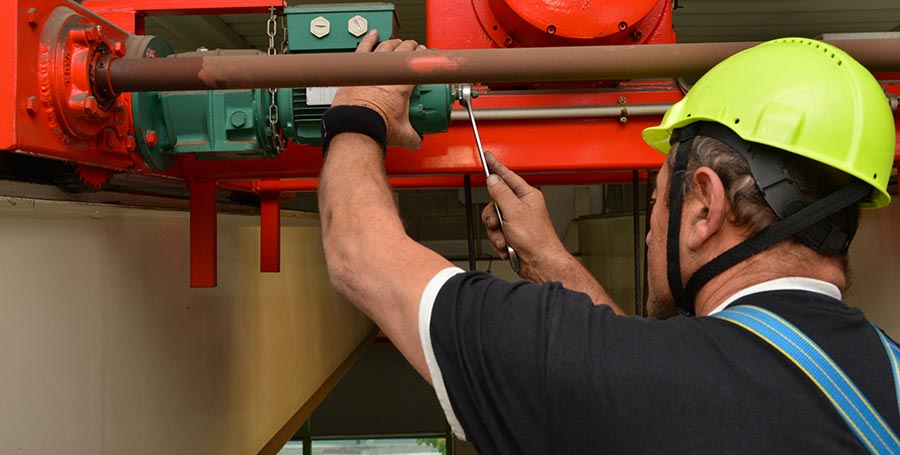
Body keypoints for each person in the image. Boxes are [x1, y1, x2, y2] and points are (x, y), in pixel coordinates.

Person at [318, 31, 900, 454]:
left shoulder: (620, 378)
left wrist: (360, 112)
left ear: (705, 205)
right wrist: (547, 258)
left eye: (658, 200)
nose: (650, 228)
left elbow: (360, 256)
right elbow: (638, 381)